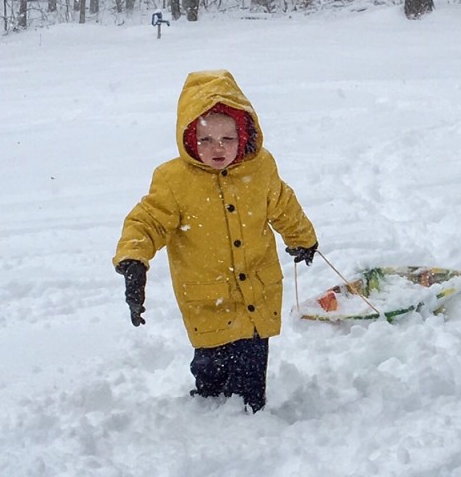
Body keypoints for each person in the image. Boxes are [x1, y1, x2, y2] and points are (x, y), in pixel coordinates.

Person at [113, 69, 318, 412]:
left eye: (227, 138)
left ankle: (254, 424)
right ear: (189, 139)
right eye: (206, 139)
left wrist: (303, 238)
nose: (217, 147)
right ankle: (209, 419)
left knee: (251, 378)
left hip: (256, 292)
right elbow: (147, 220)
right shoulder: (174, 180)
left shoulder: (260, 168)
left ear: (244, 135)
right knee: (211, 372)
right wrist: (133, 260)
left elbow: (283, 204)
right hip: (208, 301)